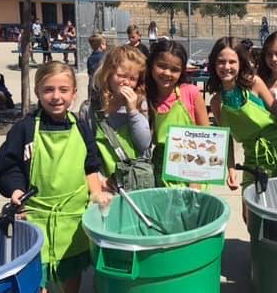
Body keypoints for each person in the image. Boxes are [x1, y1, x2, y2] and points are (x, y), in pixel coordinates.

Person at [0, 61, 112, 293]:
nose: (55, 96)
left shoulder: (81, 127)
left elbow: (90, 166)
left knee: (71, 270)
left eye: (63, 89)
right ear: (37, 93)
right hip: (37, 216)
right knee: (35, 279)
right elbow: (7, 166)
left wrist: (97, 193)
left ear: (73, 94)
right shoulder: (24, 129)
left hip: (73, 217)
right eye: (48, 90)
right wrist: (16, 190)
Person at [207, 37, 277, 219]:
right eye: (221, 62)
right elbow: (225, 139)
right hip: (252, 160)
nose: (226, 67)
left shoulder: (254, 83)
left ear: (241, 63)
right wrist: (231, 169)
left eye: (232, 62)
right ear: (213, 64)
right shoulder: (216, 102)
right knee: (250, 215)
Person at [86, 44, 153, 191]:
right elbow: (88, 149)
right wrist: (98, 179)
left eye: (133, 78)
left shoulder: (140, 104)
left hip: (135, 180)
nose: (126, 82)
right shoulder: (91, 109)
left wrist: (133, 111)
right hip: (106, 182)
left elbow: (144, 143)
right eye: (121, 75)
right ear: (107, 74)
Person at [146, 39, 210, 187]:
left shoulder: (191, 93)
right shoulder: (145, 97)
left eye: (174, 69)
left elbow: (206, 139)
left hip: (192, 170)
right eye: (161, 66)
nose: (167, 73)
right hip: (159, 173)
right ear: (151, 65)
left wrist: (196, 182)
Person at [86, 33, 107, 100]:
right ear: (101, 45)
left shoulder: (90, 58)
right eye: (104, 43)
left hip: (92, 84)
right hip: (102, 84)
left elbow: (89, 73)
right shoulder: (104, 57)